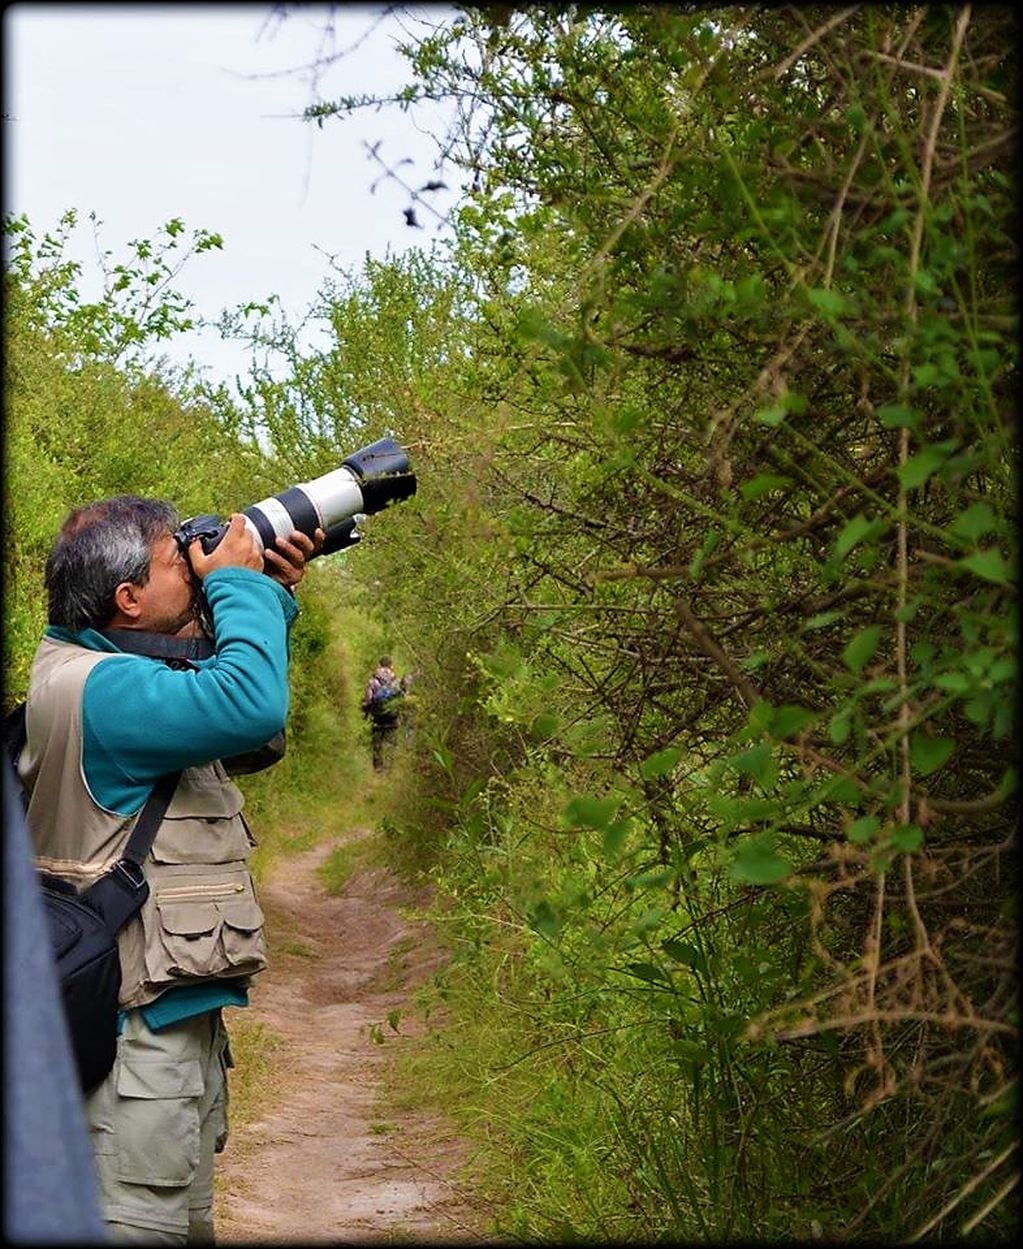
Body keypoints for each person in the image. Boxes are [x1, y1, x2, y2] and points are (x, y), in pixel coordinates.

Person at [14, 494, 323, 1244]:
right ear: (128, 598)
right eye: (174, 558)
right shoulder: (101, 689)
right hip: (131, 1052)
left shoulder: (113, 669)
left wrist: (267, 596)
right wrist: (240, 587)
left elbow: (256, 737)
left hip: (168, 1037)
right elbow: (248, 703)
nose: (197, 565)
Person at [361, 655, 402, 771]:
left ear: (379, 665)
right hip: (392, 718)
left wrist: (366, 711)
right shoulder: (396, 681)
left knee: (377, 744)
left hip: (377, 719)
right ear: (391, 665)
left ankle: (378, 767)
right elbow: (400, 700)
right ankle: (389, 767)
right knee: (391, 743)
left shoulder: (373, 681)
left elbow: (368, 700)